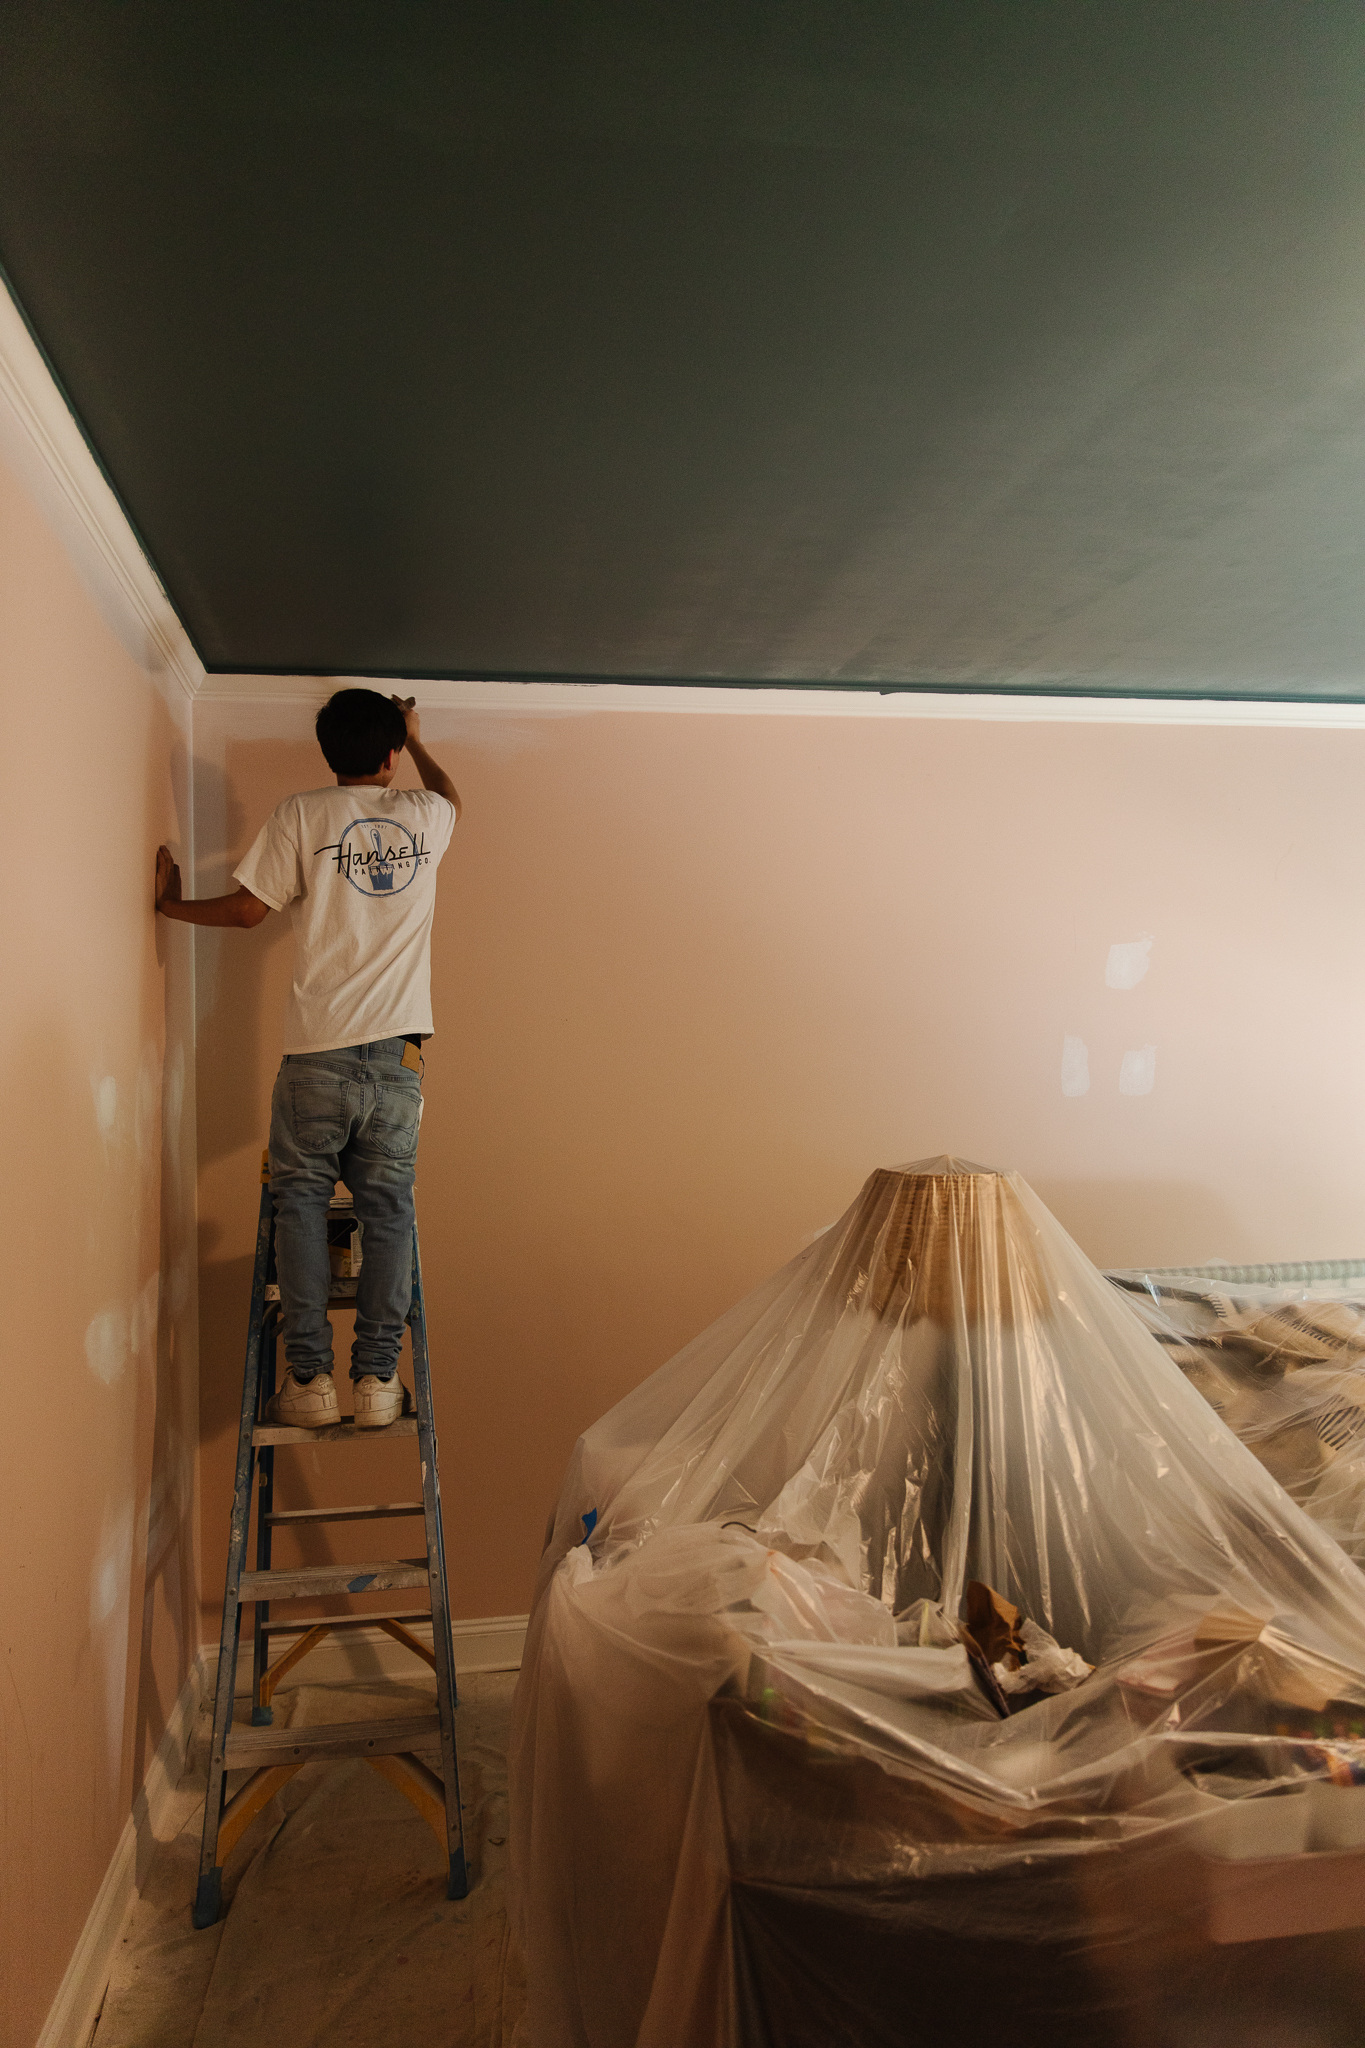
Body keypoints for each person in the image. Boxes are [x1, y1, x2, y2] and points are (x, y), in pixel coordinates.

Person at [155, 688, 460, 1428]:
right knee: (387, 1214)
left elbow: (246, 910)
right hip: (397, 1061)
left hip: (317, 1056)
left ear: (329, 754)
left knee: (300, 1206)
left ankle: (309, 1381)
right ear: (391, 756)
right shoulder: (424, 815)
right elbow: (449, 794)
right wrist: (418, 738)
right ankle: (379, 1382)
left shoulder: (300, 813)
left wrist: (170, 906)